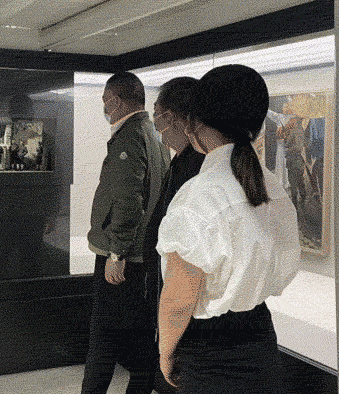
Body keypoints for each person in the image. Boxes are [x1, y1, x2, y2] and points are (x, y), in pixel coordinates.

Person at [156, 64, 300, 394]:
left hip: (208, 353)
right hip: (261, 341)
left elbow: (179, 297)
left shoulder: (199, 195)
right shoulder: (271, 185)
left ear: (194, 123)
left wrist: (165, 352)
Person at [81, 72, 170, 394]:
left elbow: (128, 200)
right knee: (141, 337)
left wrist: (116, 252)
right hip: (144, 254)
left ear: (116, 101)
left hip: (122, 256)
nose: (105, 109)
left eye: (106, 102)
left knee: (103, 338)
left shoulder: (129, 137)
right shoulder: (154, 133)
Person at [142, 78, 205, 363]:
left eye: (156, 113)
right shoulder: (180, 160)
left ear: (172, 117)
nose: (154, 122)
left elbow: (187, 259)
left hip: (187, 306)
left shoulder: (197, 166)